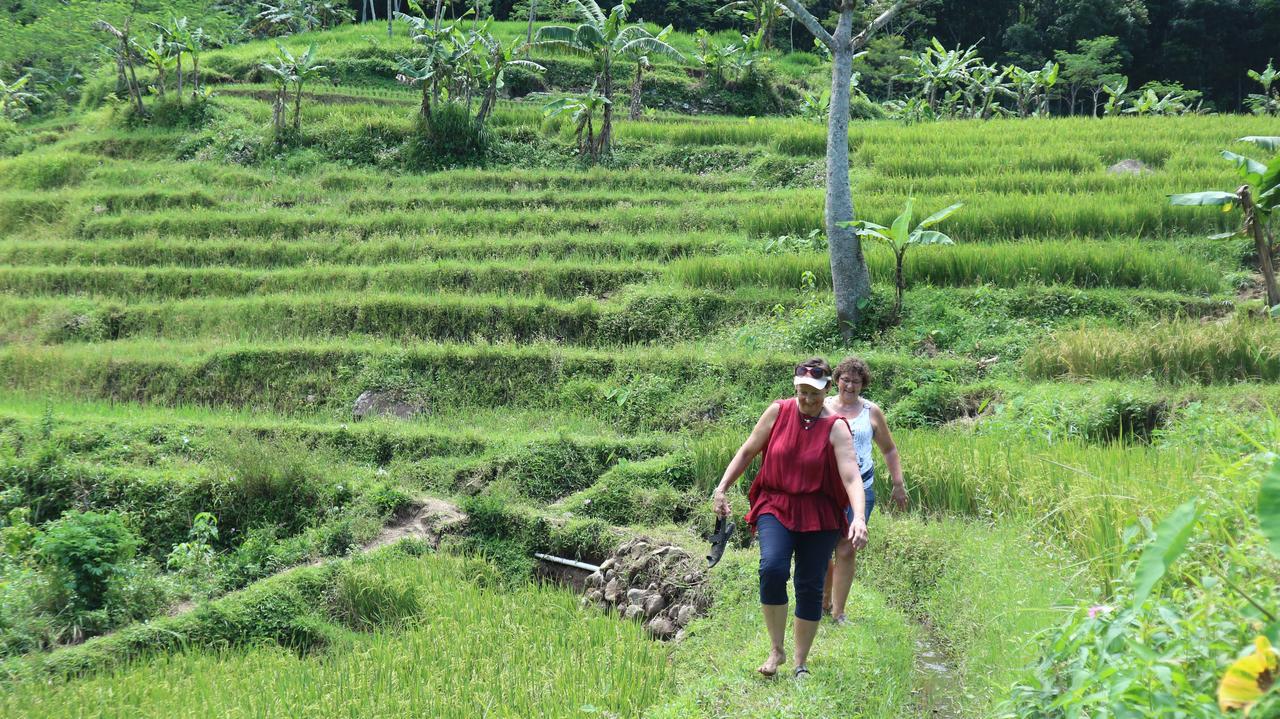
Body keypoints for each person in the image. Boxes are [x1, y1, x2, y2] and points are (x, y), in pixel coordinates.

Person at [711, 358, 869, 679]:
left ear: (827, 390)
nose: (808, 401)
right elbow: (747, 451)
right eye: (803, 393)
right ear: (795, 388)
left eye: (816, 394)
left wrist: (859, 518)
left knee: (809, 585)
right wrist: (722, 487)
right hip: (776, 504)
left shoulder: (836, 427)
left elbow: (852, 477)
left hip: (819, 512)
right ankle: (776, 650)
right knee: (772, 568)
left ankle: (800, 662)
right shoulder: (778, 412)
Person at [820, 356, 907, 624]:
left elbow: (889, 449)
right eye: (845, 379)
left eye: (856, 381)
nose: (850, 386)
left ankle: (839, 612)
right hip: (824, 489)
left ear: (863, 385)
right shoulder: (821, 407)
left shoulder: (871, 411)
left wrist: (898, 483)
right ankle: (823, 601)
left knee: (847, 548)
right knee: (822, 547)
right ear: (836, 380)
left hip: (861, 489)